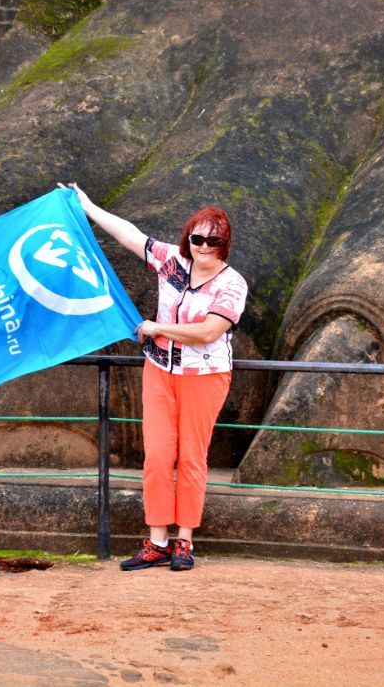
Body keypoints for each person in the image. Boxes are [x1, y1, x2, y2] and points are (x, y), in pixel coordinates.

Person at [60, 183, 247, 571]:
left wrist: (156, 327)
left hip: (204, 375)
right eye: (197, 238)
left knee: (192, 457)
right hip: (160, 371)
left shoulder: (231, 283)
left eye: (214, 241)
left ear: (225, 244)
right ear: (188, 238)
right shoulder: (172, 262)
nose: (204, 247)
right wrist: (88, 205)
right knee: (158, 455)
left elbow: (210, 332)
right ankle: (157, 540)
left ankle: (185, 541)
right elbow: (131, 235)